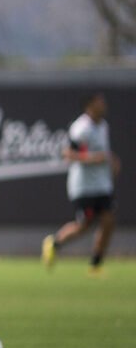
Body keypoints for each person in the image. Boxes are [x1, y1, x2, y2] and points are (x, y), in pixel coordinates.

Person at [42, 92, 120, 275]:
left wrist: (112, 160)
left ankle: (95, 265)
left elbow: (103, 153)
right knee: (85, 225)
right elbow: (68, 154)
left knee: (108, 220)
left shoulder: (103, 126)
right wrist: (94, 158)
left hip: (102, 184)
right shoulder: (81, 128)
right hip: (84, 186)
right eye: (100, 102)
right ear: (90, 106)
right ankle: (54, 243)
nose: (104, 105)